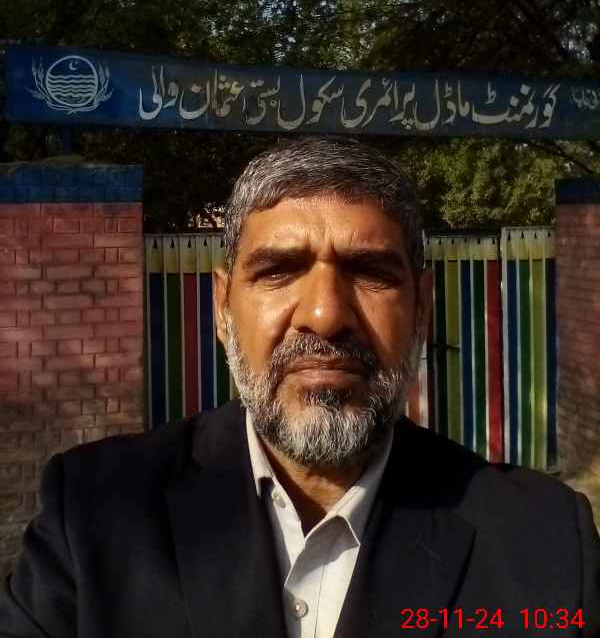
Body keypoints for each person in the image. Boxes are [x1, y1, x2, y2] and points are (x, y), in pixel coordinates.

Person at [1, 137, 598, 638]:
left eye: (369, 272)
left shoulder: (542, 542)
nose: (325, 315)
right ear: (222, 309)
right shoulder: (95, 513)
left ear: (421, 309)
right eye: (279, 271)